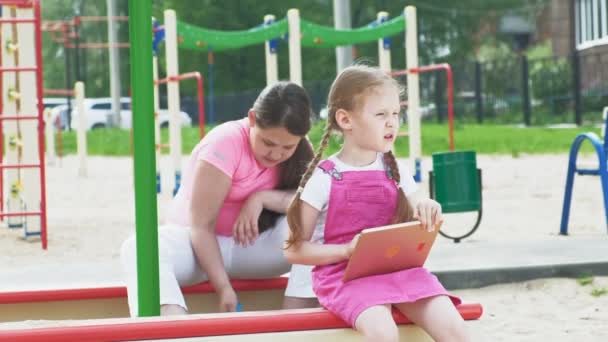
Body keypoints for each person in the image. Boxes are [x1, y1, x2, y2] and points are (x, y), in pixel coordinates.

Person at [283, 65, 468, 342]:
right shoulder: (324, 177)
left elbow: (419, 200)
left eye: (396, 114)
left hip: (399, 270)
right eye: (381, 114)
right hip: (343, 277)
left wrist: (428, 206)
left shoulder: (394, 169)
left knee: (453, 326)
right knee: (382, 332)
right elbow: (295, 250)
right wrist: (347, 251)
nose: (392, 122)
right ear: (345, 120)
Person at [121, 81, 314, 317]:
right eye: (268, 142)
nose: (276, 154)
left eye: (287, 147)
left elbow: (309, 204)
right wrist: (223, 288)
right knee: (139, 248)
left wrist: (261, 198)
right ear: (252, 118)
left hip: (252, 249)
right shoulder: (223, 144)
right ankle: (171, 328)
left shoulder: (302, 150)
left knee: (315, 224)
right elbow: (201, 226)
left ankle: (296, 325)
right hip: (196, 249)